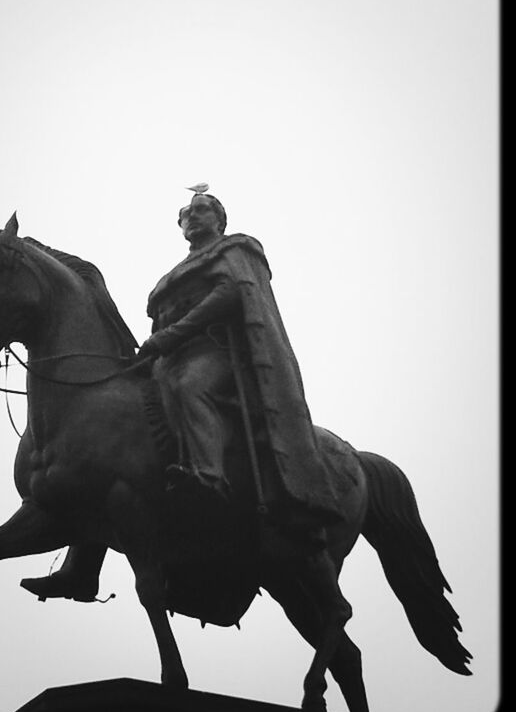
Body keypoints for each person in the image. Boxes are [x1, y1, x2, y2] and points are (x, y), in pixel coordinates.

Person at [21, 190, 343, 602]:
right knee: (104, 438)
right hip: (167, 357)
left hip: (215, 353)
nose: (192, 217)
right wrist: (147, 352)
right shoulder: (174, 273)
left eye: (202, 210)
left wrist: (169, 337)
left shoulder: (237, 250)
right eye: (186, 214)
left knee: (189, 387)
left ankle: (207, 475)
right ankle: (80, 569)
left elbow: (228, 297)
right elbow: (160, 324)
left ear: (219, 219)